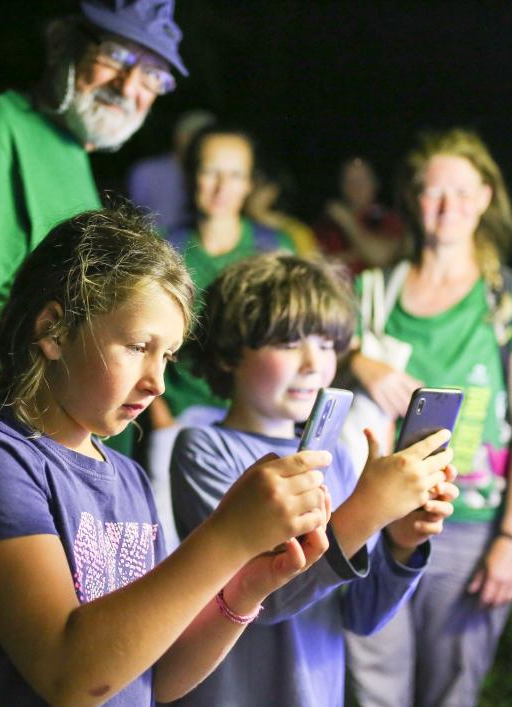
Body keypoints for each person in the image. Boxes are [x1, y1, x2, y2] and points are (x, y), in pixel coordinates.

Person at [0, 207, 334, 705]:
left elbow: (155, 677)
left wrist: (244, 589)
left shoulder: (127, 477)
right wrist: (227, 535)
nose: (158, 382)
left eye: (168, 355)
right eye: (136, 346)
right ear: (54, 331)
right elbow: (71, 674)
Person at [0, 0, 188, 467]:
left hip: (62, 471)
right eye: (116, 55)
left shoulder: (77, 158)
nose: (128, 86)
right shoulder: (0, 127)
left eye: (153, 74)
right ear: (65, 43)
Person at [168, 252, 459, 706]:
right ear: (230, 354)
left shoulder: (336, 457)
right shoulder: (204, 450)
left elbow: (360, 615)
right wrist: (368, 510)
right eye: (288, 343)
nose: (312, 363)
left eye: (326, 344)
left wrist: (400, 543)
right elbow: (263, 598)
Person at [344, 128, 512, 706]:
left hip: (469, 524)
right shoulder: (374, 291)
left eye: (463, 193)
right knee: (373, 693)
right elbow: (314, 363)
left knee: (450, 696)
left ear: (486, 197)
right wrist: (360, 361)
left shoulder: (510, 298)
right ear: (413, 198)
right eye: (434, 192)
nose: (447, 208)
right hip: (377, 517)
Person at [146, 124, 294, 549]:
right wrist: (161, 418)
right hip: (177, 416)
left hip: (252, 422)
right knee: (170, 549)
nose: (220, 186)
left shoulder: (272, 250)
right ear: (192, 176)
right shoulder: (165, 248)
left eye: (234, 174)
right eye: (210, 172)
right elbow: (144, 338)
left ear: (249, 183)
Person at [313, 156, 408, 276]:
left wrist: (347, 222)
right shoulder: (327, 224)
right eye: (349, 180)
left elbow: (381, 256)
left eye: (362, 180)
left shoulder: (388, 219)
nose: (356, 187)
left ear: (376, 183)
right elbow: (314, 262)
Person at [125, 108, 214, 231]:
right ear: (178, 137)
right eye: (193, 136)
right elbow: (134, 215)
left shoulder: (212, 176)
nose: (197, 143)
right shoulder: (145, 171)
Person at [244, 157, 319, 257]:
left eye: (257, 185)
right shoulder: (234, 227)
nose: (248, 190)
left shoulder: (296, 233)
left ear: (273, 191)